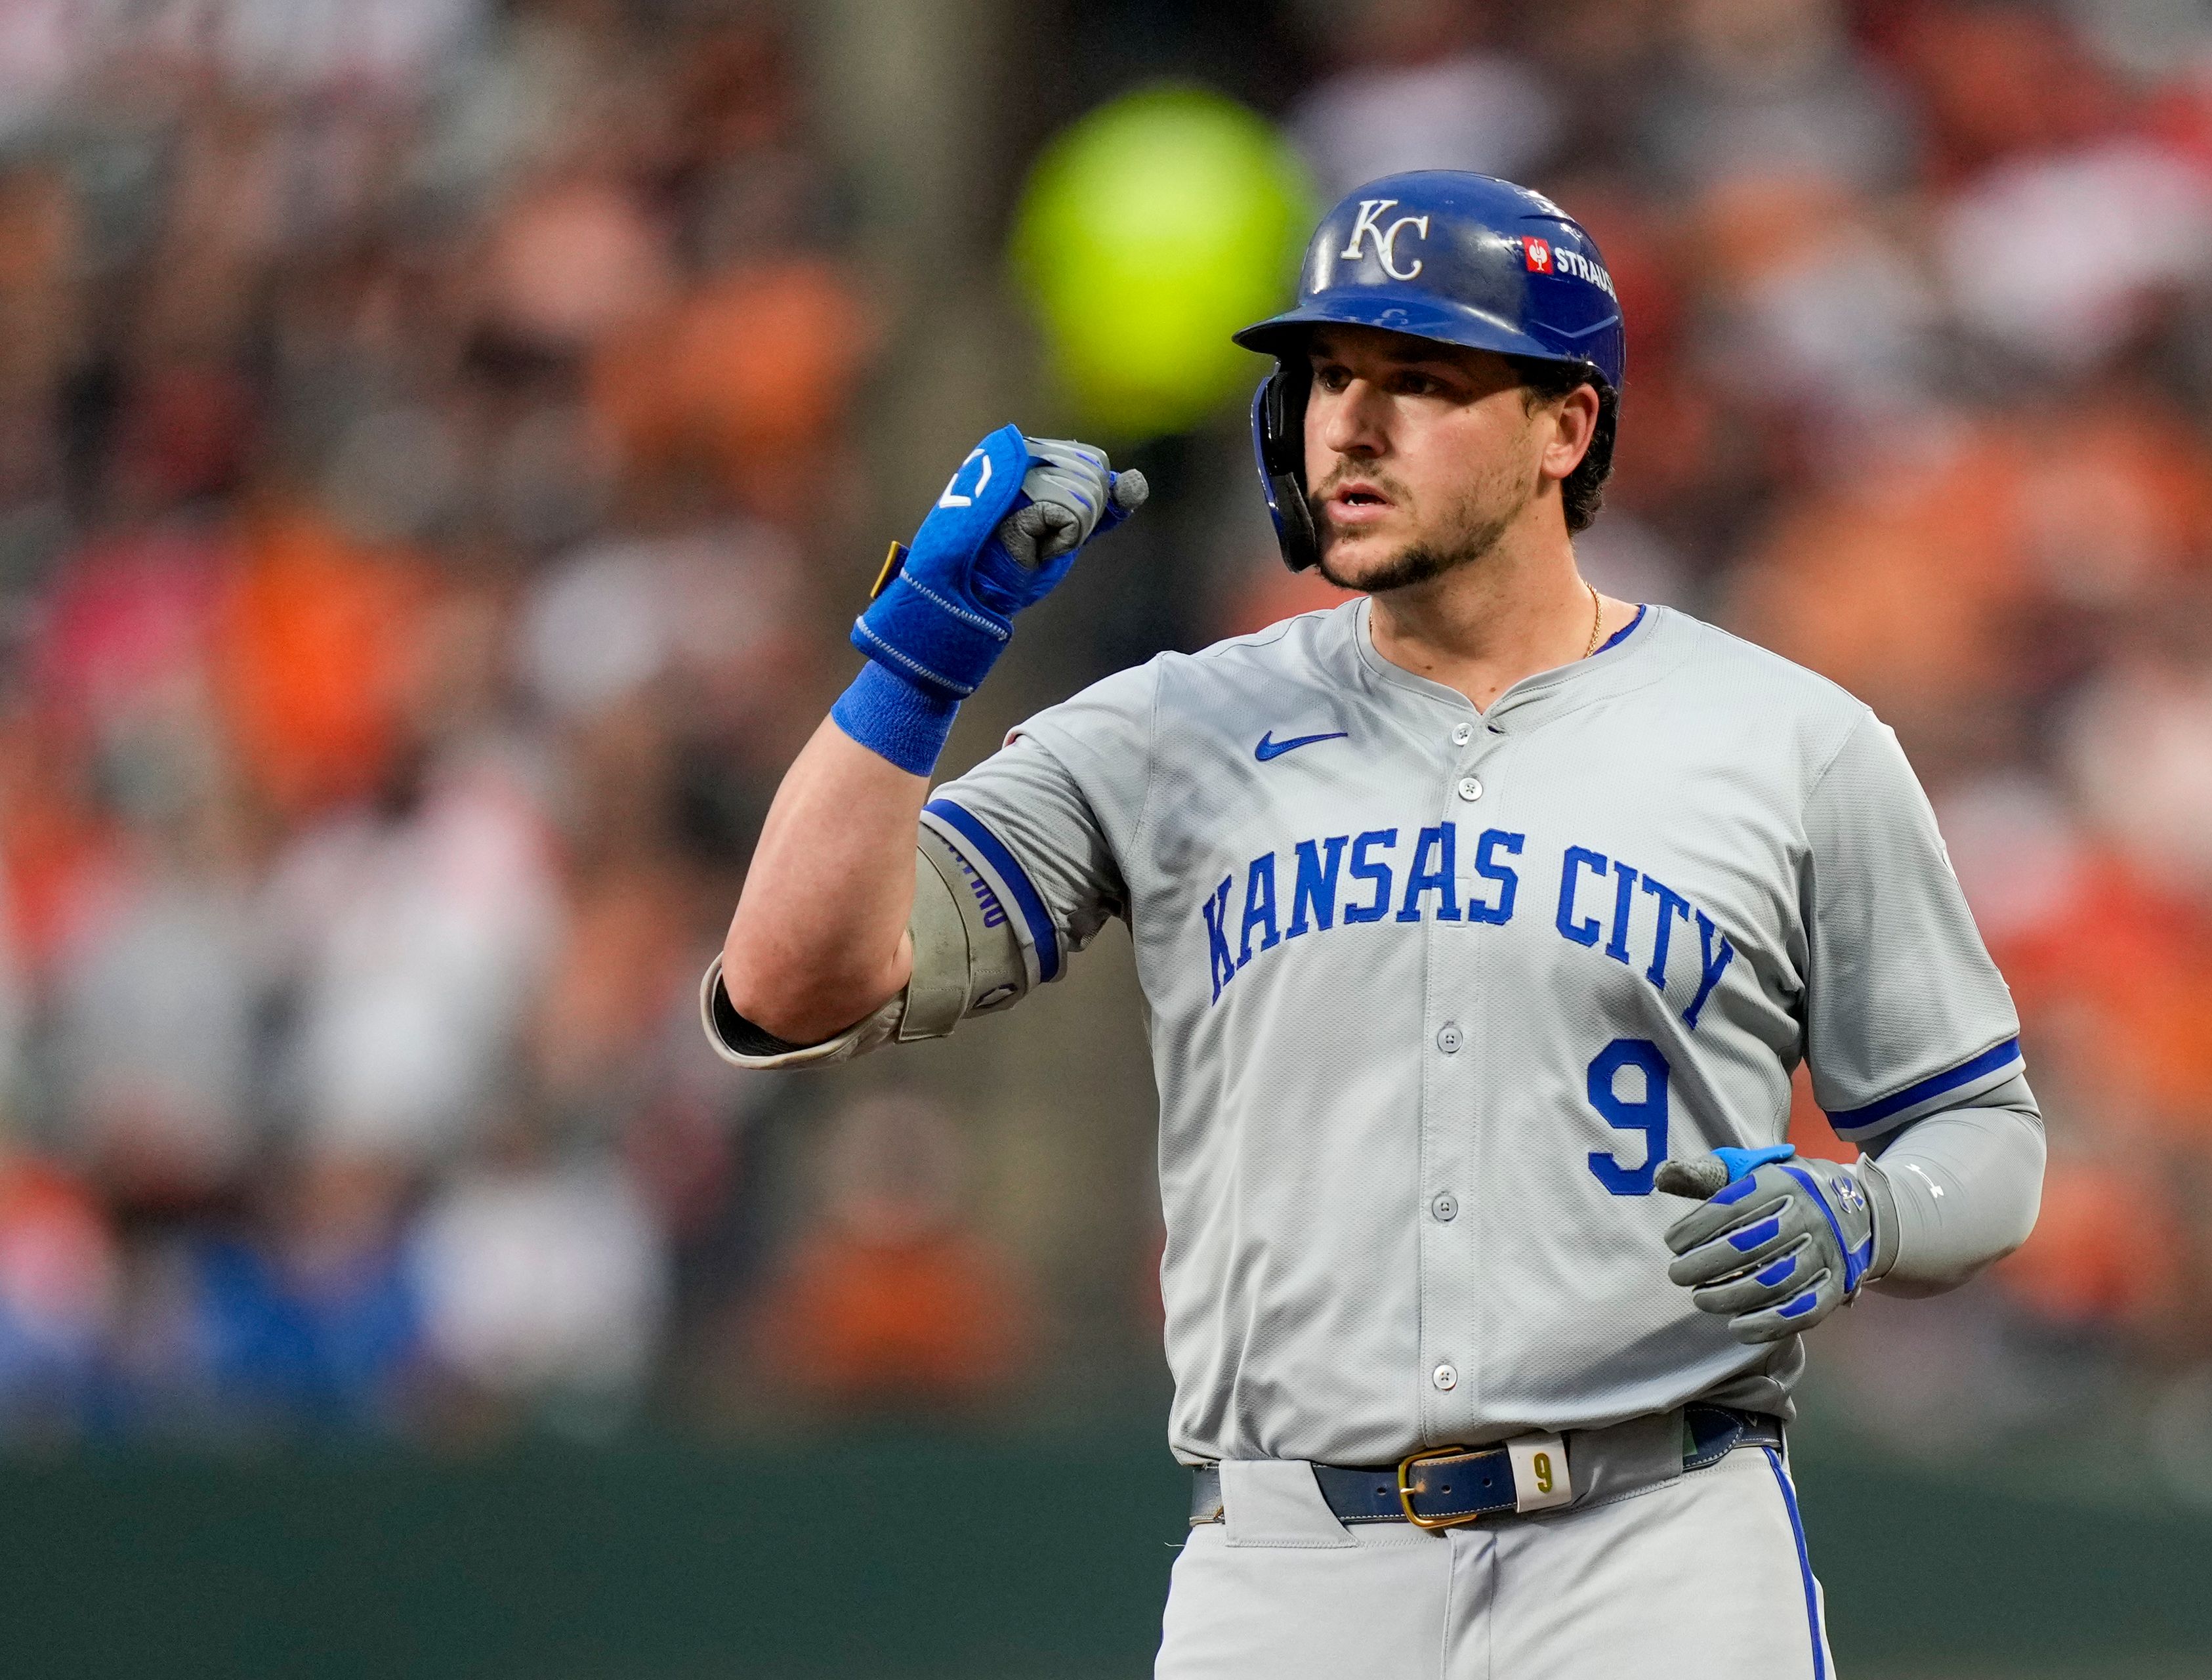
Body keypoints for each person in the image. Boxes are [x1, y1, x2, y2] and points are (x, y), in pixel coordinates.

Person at [707, 171, 2045, 1679]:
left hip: (1655, 1540)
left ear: (1567, 426)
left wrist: (1865, 1214)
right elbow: (792, 976)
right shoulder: (1176, 726)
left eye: (1422, 379)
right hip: (1290, 1563)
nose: (1351, 418)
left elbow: (1985, 1136)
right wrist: (918, 654)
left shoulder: (1786, 738)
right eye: (1332, 373)